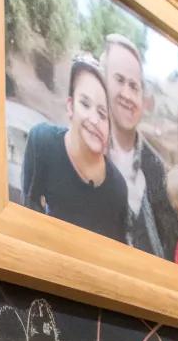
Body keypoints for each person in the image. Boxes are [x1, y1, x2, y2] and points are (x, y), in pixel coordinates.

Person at [20, 56, 128, 241]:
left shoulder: (117, 190)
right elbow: (28, 213)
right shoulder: (42, 142)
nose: (94, 120)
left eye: (103, 114)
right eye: (85, 104)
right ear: (70, 106)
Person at [102, 33, 178, 258]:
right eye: (119, 80)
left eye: (134, 86)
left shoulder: (157, 169)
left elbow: (171, 248)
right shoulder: (86, 151)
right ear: (103, 82)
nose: (127, 94)